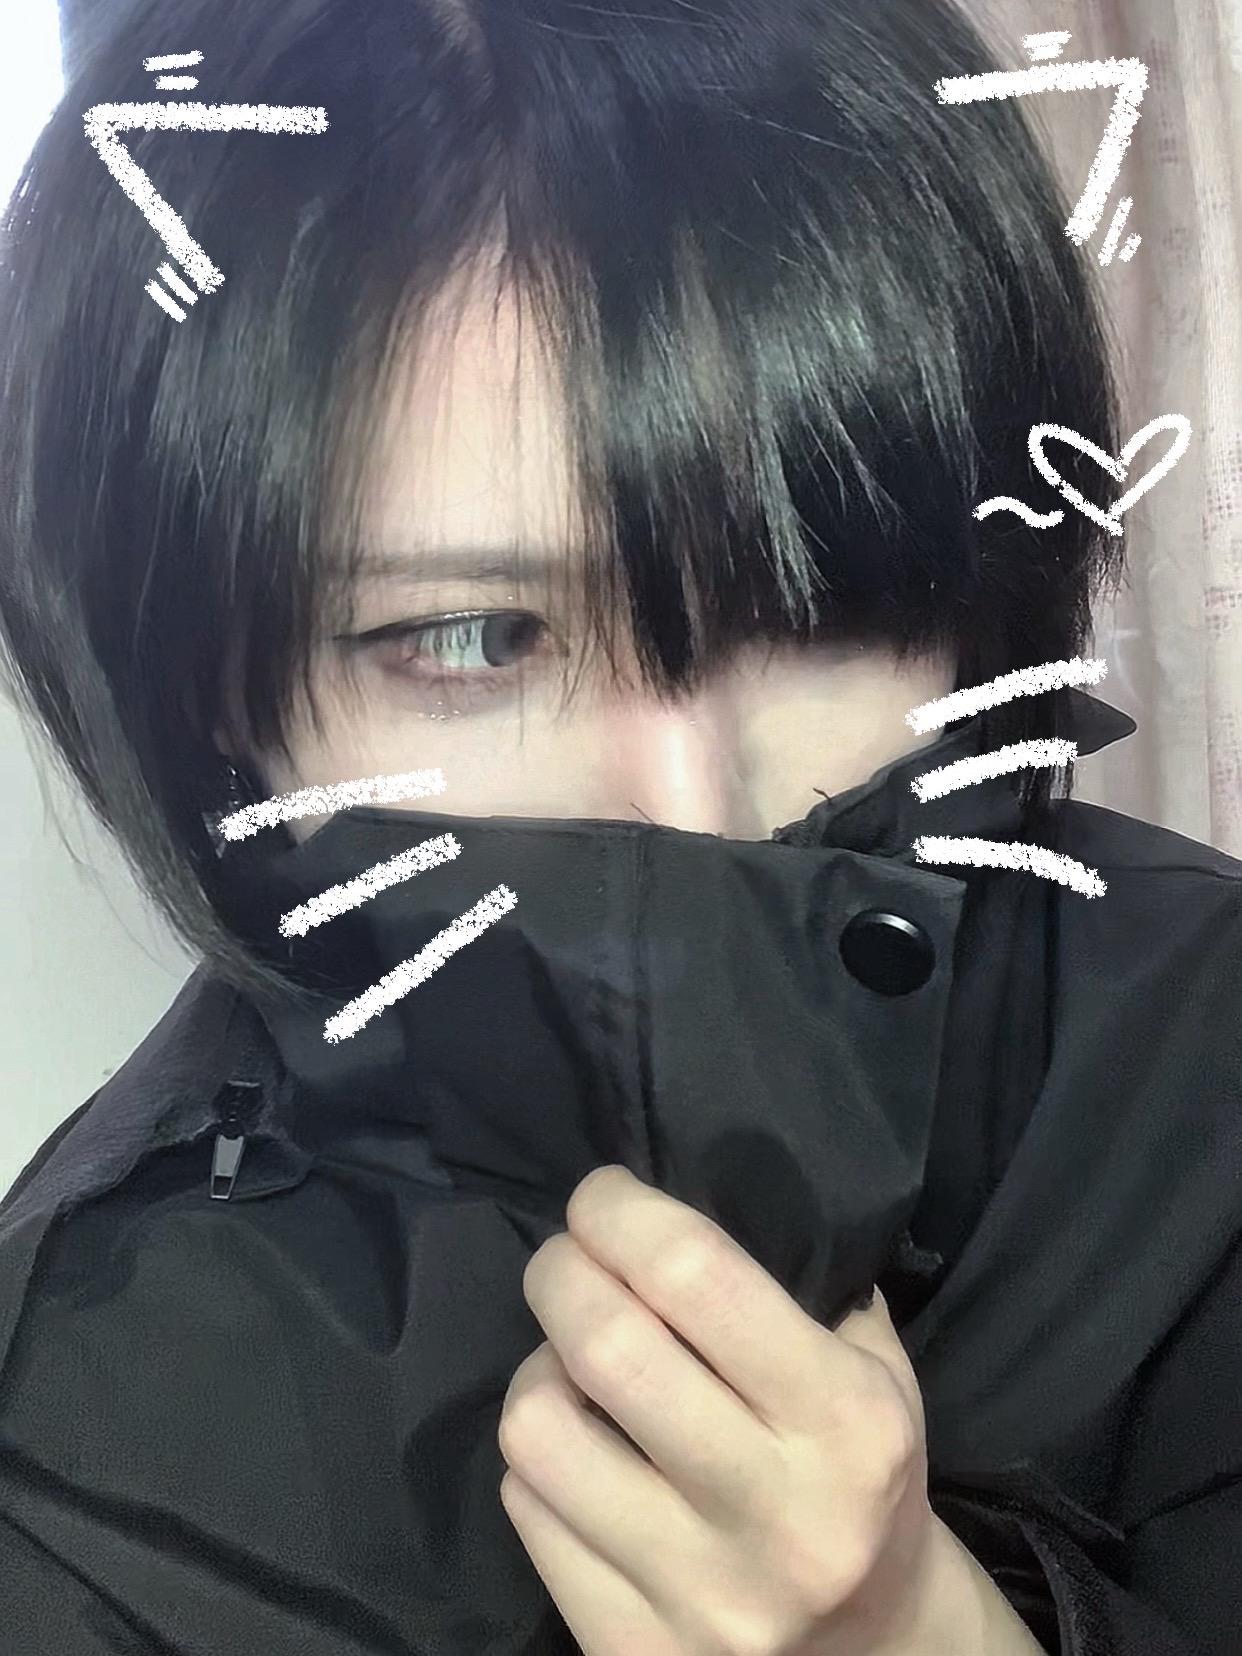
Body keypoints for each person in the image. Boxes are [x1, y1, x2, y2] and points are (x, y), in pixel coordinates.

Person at [0, 0, 1238, 1651]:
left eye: (827, 604)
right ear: (210, 690)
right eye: (473, 639)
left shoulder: (1207, 1035)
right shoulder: (75, 1448)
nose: (692, 808)